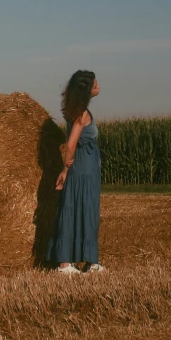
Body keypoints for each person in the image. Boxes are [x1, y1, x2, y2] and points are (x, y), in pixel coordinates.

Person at [46, 70, 106, 274]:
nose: (98, 86)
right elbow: (71, 145)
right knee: (86, 211)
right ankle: (73, 263)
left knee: (73, 209)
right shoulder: (82, 114)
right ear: (85, 90)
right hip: (84, 171)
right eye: (94, 83)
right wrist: (65, 169)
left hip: (81, 169)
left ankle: (78, 261)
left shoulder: (74, 110)